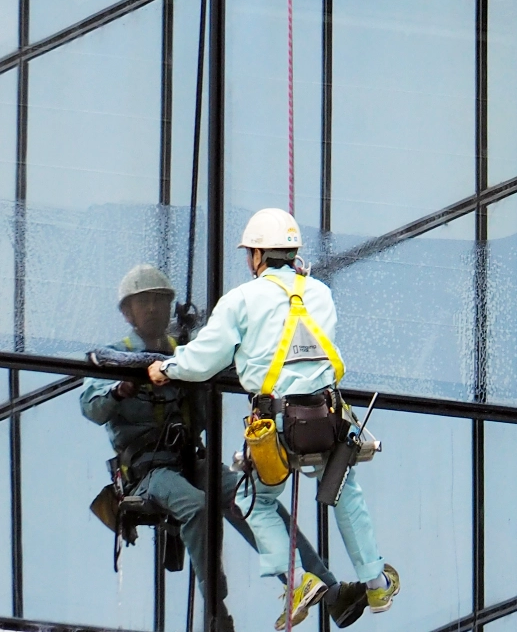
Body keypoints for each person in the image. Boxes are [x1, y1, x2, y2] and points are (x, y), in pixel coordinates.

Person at [81, 265, 370, 631]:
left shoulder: (184, 354)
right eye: (144, 302)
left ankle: (328, 591)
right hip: (147, 471)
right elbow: (91, 407)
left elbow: (205, 409)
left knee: (250, 497)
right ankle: (217, 612)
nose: (153, 308)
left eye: (159, 300)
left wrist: (195, 365)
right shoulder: (114, 358)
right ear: (127, 312)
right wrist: (118, 390)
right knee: (198, 507)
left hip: (190, 459)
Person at [146, 209, 399, 628]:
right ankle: (376, 583)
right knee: (344, 492)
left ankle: (300, 582)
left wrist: (167, 369)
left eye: (250, 253)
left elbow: (205, 359)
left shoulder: (242, 300)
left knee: (253, 501)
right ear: (294, 253)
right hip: (327, 419)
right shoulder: (320, 293)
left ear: (257, 255)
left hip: (277, 428)